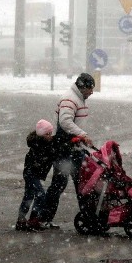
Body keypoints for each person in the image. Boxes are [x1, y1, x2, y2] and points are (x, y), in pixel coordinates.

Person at [31, 72, 95, 229]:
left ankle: (87, 217)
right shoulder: (70, 99)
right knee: (62, 184)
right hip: (65, 148)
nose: (91, 92)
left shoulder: (77, 98)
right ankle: (41, 217)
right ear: (82, 87)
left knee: (77, 183)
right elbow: (65, 122)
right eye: (90, 89)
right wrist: (82, 134)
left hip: (72, 147)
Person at [15, 119, 56, 232]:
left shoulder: (45, 144)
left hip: (34, 174)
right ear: (41, 135)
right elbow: (45, 155)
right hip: (31, 174)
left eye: (50, 133)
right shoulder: (39, 145)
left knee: (28, 196)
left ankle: (21, 220)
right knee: (40, 195)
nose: (50, 136)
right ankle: (33, 220)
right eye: (47, 134)